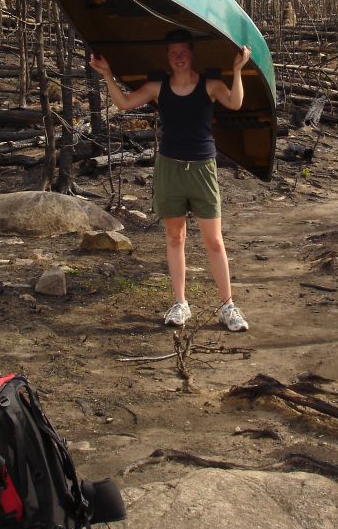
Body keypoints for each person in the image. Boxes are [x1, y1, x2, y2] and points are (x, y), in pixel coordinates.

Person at [90, 30, 252, 332]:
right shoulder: (157, 87)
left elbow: (235, 103)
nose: (178, 57)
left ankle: (228, 306)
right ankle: (180, 303)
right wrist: (107, 74)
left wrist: (239, 69)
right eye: (173, 52)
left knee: (213, 241)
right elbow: (124, 103)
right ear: (167, 57)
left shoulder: (210, 84)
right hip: (170, 168)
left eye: (183, 52)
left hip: (203, 168)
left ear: (192, 54)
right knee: (175, 238)